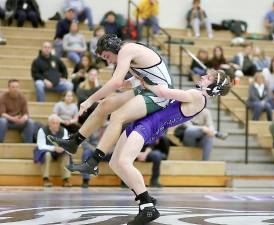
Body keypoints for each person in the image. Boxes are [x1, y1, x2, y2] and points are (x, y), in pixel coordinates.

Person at [66, 69, 233, 225]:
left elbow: (163, 92)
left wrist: (146, 82)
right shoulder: (198, 97)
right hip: (145, 122)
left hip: (149, 125)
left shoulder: (197, 96)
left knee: (124, 162)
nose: (204, 76)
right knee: (114, 163)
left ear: (214, 87)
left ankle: (147, 206)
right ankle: (145, 198)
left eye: (209, 77)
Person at [48, 33, 174, 174]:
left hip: (161, 94)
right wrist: (129, 82)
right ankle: (74, 142)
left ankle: (94, 161)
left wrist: (89, 100)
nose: (108, 62)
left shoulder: (127, 50)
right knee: (104, 105)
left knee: (117, 116)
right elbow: (146, 73)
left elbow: (115, 82)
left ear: (113, 48)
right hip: (149, 88)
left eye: (107, 57)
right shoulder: (129, 50)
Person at [33, 114, 71, 187]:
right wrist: (54, 148)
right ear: (49, 123)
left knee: (66, 155)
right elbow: (41, 146)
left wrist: (62, 148)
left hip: (59, 152)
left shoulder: (64, 130)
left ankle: (66, 179)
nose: (56, 125)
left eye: (57, 123)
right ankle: (46, 179)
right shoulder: (42, 130)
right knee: (47, 155)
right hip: (47, 151)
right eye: (53, 123)